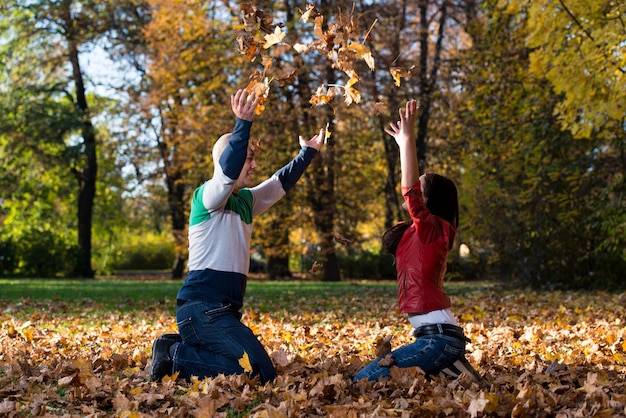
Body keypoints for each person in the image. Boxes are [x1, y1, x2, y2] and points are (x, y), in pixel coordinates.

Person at [150, 88, 326, 383]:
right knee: (259, 372)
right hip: (202, 309)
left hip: (223, 312)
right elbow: (226, 174)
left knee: (252, 369)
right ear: (228, 162)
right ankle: (174, 355)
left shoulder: (245, 201)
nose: (254, 165)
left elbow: (277, 184)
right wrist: (242, 124)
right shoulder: (206, 198)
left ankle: (181, 349)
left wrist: (307, 153)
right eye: (248, 158)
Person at [353, 99, 480, 383]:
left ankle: (448, 365)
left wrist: (406, 142)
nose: (412, 193)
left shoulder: (436, 230)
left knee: (362, 380)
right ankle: (451, 370)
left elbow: (409, 191)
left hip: (439, 339)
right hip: (432, 337)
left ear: (429, 201)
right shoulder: (414, 232)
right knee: (373, 377)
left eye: (419, 189)